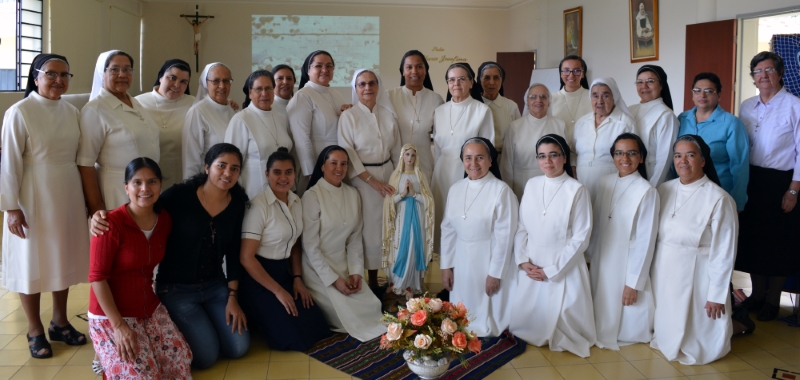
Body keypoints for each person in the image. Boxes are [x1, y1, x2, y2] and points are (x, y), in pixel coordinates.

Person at [91, 144, 251, 369]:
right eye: (221, 166)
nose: (227, 173)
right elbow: (143, 204)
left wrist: (232, 297)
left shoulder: (236, 205)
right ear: (207, 167)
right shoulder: (180, 196)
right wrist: (103, 216)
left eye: (235, 169)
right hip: (178, 290)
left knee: (238, 348)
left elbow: (234, 253)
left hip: (215, 287)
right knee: (205, 358)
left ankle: (206, 326)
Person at [1, 54, 89, 359]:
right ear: (35, 77)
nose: (59, 80)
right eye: (51, 74)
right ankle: (35, 328)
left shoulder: (71, 110)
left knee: (61, 257)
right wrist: (11, 207)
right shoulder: (19, 112)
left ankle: (60, 321)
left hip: (67, 191)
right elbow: (10, 162)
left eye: (65, 74)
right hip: (32, 194)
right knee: (32, 261)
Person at [88, 158, 192, 378]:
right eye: (137, 182)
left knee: (180, 361)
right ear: (126, 188)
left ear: (160, 185)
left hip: (148, 307)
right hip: (111, 314)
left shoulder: (164, 220)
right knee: (143, 374)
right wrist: (117, 326)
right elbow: (97, 278)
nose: (145, 188)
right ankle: (104, 353)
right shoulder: (109, 224)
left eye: (152, 181)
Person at [650, 135, 738, 365]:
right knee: (668, 316)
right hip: (665, 267)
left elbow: (725, 251)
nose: (683, 161)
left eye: (690, 155)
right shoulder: (663, 190)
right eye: (678, 155)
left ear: (702, 160)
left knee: (696, 330)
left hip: (700, 273)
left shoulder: (719, 199)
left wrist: (717, 295)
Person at [509, 134, 596, 358]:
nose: (547, 161)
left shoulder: (577, 189)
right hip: (533, 260)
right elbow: (521, 227)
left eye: (553, 155)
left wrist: (551, 270)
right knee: (525, 325)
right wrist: (523, 261)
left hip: (563, 264)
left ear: (564, 157)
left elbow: (581, 237)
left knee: (563, 322)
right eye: (542, 156)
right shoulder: (532, 184)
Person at [239, 147, 332, 351]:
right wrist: (279, 291)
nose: (283, 178)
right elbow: (247, 258)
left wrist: (297, 279)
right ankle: (255, 314)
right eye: (277, 172)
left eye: (288, 172)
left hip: (284, 272)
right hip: (258, 277)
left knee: (318, 326)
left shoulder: (296, 201)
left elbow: (296, 243)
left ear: (294, 174)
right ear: (267, 174)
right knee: (292, 340)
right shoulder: (258, 207)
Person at [737, 51, 800, 321]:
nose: (762, 76)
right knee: (754, 240)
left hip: (782, 182)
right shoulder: (746, 106)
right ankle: (757, 295)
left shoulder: (794, 105)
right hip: (752, 180)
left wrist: (794, 189)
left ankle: (773, 300)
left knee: (778, 243)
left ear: (780, 72)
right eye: (757, 72)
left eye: (768, 70)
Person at [301, 146, 385, 341]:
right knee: (343, 317)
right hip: (318, 269)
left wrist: (355, 272)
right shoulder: (312, 196)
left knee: (372, 308)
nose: (339, 168)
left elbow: (354, 239)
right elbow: (310, 247)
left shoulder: (353, 193)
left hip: (344, 265)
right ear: (322, 166)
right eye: (333, 163)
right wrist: (334, 280)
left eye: (343, 164)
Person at [586, 133, 658, 350]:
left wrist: (634, 283)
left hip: (628, 259)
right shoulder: (604, 182)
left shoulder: (647, 190)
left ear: (641, 158)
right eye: (619, 152)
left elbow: (646, 240)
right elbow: (597, 223)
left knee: (624, 310)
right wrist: (590, 256)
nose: (624, 158)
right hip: (603, 253)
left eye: (631, 153)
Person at [441, 138, 518, 337]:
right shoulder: (455, 188)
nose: (473, 164)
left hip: (489, 256)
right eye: (468, 158)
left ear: (490, 161)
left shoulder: (501, 191)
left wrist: (495, 273)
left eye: (480, 158)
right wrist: (446, 266)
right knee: (461, 314)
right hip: (461, 256)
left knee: (486, 312)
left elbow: (506, 236)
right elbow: (448, 230)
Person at [338, 69, 401, 290]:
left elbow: (397, 150)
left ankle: (392, 279)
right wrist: (372, 182)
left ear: (378, 86)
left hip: (389, 177)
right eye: (362, 84)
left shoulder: (388, 115)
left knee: (390, 229)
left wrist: (399, 178)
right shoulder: (348, 116)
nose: (367, 88)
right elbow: (348, 153)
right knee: (369, 233)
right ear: (355, 89)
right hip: (362, 182)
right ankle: (369, 280)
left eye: (372, 83)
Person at [78, 50, 160, 216]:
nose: (122, 74)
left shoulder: (134, 102)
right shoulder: (94, 110)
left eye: (128, 69)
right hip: (115, 191)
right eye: (115, 69)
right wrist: (96, 205)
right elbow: (85, 164)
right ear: (103, 73)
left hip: (143, 190)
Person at [432, 63, 494, 249]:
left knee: (466, 221)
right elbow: (436, 148)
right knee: (443, 220)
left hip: (468, 173)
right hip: (442, 173)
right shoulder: (440, 111)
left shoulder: (482, 111)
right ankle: (446, 265)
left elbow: (487, 148)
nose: (456, 83)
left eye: (461, 79)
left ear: (471, 83)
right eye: (451, 80)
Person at [677, 72, 749, 211]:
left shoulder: (731, 123)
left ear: (719, 95)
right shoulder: (682, 119)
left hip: (719, 194)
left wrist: (737, 203)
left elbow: (740, 166)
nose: (702, 95)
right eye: (697, 91)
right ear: (692, 94)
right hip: (685, 192)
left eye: (709, 91)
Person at [288, 51, 351, 195]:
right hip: (316, 168)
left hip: (337, 167)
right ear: (308, 70)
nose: (325, 70)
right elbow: (301, 138)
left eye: (329, 66)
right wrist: (312, 172)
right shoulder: (303, 96)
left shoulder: (337, 95)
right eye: (319, 66)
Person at [225, 70, 293, 199]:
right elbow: (232, 164)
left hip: (281, 189)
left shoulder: (281, 118)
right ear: (250, 93)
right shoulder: (241, 120)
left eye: (268, 88)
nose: (264, 94)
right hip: (254, 192)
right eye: (258, 89)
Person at [571, 77, 636, 201]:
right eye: (595, 96)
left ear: (614, 97)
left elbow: (633, 156)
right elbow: (573, 152)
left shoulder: (626, 123)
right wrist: (573, 170)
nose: (599, 101)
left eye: (605, 96)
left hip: (613, 185)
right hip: (581, 183)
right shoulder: (581, 123)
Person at [382, 144, 435, 295]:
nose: (410, 158)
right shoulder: (396, 176)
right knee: (399, 247)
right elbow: (389, 202)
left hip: (417, 216)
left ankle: (414, 284)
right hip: (400, 216)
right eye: (407, 155)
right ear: (402, 157)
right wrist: (403, 194)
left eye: (412, 155)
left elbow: (429, 201)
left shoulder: (420, 176)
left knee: (414, 246)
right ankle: (398, 283)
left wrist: (414, 194)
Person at [135, 59, 194, 189]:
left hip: (182, 173)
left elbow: (215, 109)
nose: (177, 85)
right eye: (172, 78)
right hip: (147, 176)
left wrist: (229, 104)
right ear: (160, 77)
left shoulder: (195, 104)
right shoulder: (137, 103)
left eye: (183, 82)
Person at [501, 83, 566, 199]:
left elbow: (566, 159)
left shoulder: (560, 125)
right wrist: (507, 193)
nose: (538, 100)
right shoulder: (514, 127)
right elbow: (506, 164)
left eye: (543, 96)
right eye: (533, 97)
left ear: (549, 101)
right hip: (522, 185)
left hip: (553, 184)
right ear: (527, 101)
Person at [387, 50, 444, 180]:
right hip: (396, 166)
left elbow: (441, 137)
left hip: (424, 165)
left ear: (426, 70)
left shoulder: (436, 99)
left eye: (419, 67)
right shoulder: (389, 96)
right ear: (402, 71)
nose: (414, 71)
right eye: (409, 67)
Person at [182, 62, 237, 179]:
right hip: (208, 183)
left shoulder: (234, 110)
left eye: (226, 81)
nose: (222, 86)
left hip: (233, 179)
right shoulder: (197, 112)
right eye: (216, 81)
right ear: (206, 84)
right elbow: (190, 158)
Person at [628, 65, 678, 187]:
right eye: (640, 82)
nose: (644, 86)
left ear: (661, 85)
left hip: (654, 177)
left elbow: (665, 159)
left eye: (650, 81)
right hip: (630, 175)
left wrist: (652, 188)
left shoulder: (666, 115)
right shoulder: (629, 110)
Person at [475, 61, 522, 153]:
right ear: (480, 80)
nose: (491, 82)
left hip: (506, 157)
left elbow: (519, 135)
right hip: (481, 157)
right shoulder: (474, 106)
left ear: (502, 80)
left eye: (496, 78)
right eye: (487, 78)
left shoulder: (511, 106)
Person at [548, 56, 592, 140]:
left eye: (576, 70)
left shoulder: (593, 97)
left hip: (587, 149)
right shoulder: (550, 99)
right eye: (566, 70)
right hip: (558, 150)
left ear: (583, 74)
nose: (571, 75)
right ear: (561, 74)